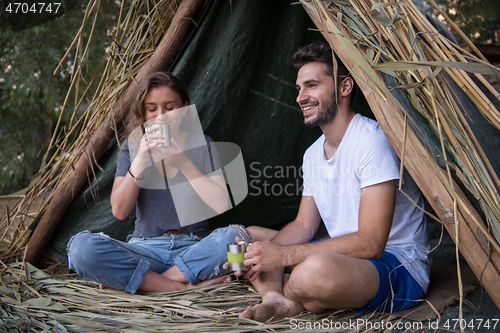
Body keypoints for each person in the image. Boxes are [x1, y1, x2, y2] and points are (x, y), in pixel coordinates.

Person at [226, 41, 431, 322]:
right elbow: (303, 225)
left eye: (311, 85)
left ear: (345, 87)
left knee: (312, 272)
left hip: (396, 265)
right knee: (252, 236)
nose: (300, 97)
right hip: (344, 255)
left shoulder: (372, 141)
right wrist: (259, 256)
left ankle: (293, 290)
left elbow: (372, 243)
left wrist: (283, 258)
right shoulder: (312, 154)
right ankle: (276, 298)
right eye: (299, 89)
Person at [67, 72, 259, 294]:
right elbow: (119, 211)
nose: (161, 116)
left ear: (184, 108)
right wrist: (141, 159)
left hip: (195, 248)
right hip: (146, 250)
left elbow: (219, 204)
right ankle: (184, 287)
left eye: (170, 108)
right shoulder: (131, 148)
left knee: (236, 238)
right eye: (152, 109)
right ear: (144, 112)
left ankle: (147, 283)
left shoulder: (204, 144)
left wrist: (184, 162)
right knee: (81, 249)